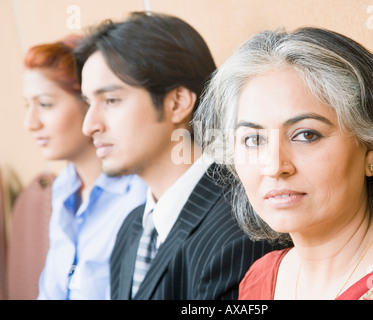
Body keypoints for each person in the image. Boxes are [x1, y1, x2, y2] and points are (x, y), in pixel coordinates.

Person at [195, 27, 373, 300]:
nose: (274, 166)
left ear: (372, 148)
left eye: (306, 135)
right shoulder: (262, 276)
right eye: (254, 139)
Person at [76, 12, 280, 300]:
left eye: (111, 100)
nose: (89, 125)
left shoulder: (241, 227)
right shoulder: (131, 229)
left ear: (178, 102)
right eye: (88, 103)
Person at [23, 35, 147, 299]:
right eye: (27, 105)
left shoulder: (141, 194)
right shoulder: (64, 186)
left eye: (45, 104)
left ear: (90, 102)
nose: (30, 122)